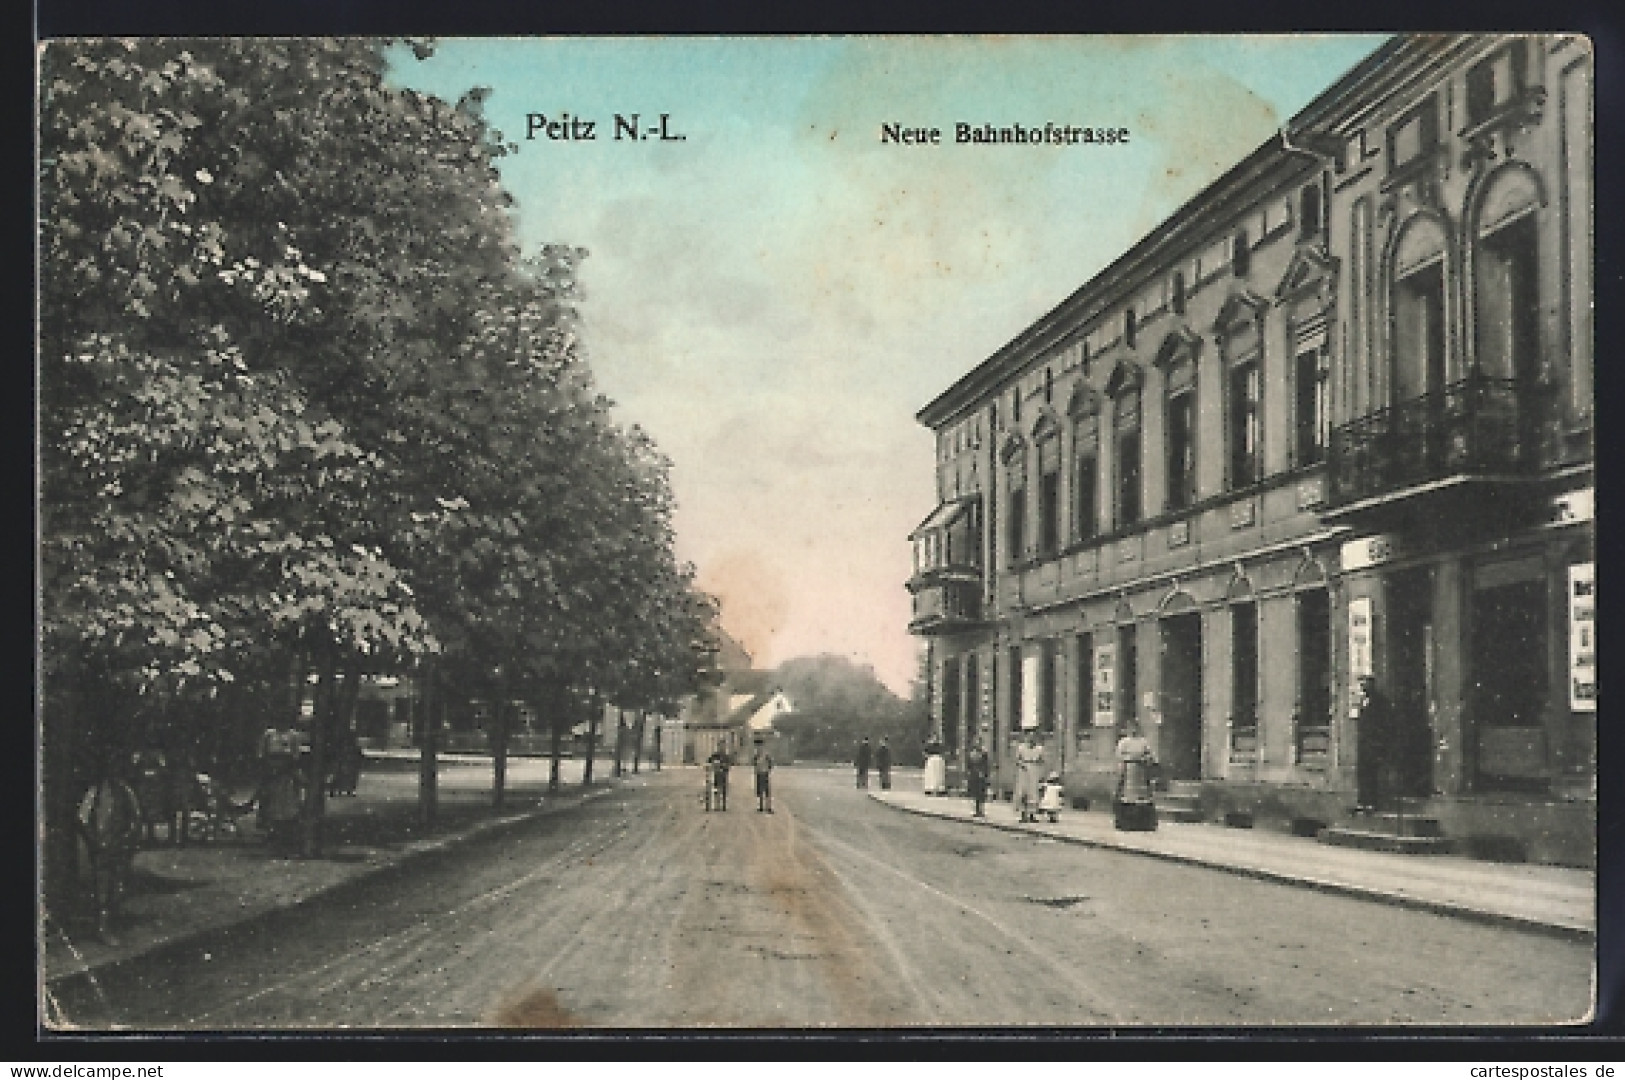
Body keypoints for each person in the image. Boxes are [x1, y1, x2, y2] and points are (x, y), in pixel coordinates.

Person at [1354, 675, 1392, 811]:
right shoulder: (1363, 701)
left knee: (1373, 773)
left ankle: (1372, 802)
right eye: (1361, 683)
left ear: (1372, 684)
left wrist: (1380, 741)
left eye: (1366, 683)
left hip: (1375, 743)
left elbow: (1385, 723)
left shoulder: (1381, 702)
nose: (1363, 686)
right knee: (1363, 772)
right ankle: (1363, 801)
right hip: (1364, 743)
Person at [1114, 720, 1158, 831]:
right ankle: (1127, 823)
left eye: (1135, 728)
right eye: (1131, 728)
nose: (1133, 731)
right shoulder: (1123, 742)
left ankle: (1143, 824)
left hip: (1141, 773)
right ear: (1128, 729)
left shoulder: (1143, 742)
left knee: (1142, 798)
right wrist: (1123, 768)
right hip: (1129, 772)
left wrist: (1145, 760)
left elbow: (1150, 756)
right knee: (1127, 797)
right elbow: (1119, 756)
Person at [1015, 731, 1045, 823]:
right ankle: (1023, 814)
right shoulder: (1021, 748)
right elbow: (1017, 760)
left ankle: (1032, 815)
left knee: (1033, 792)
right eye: (1029, 737)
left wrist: (1040, 768)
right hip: (1024, 771)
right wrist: (1022, 764)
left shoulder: (1039, 749)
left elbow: (1042, 760)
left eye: (1033, 738)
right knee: (1023, 792)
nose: (1031, 740)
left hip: (1034, 770)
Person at [965, 740, 991, 817]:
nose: (977, 745)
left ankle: (981, 810)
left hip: (981, 775)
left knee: (981, 793)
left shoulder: (983, 753)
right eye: (976, 743)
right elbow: (968, 765)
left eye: (978, 743)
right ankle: (976, 810)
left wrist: (985, 774)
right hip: (974, 775)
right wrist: (969, 773)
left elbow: (986, 765)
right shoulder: (971, 754)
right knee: (975, 793)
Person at [752, 739, 775, 813]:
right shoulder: (756, 755)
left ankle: (768, 807)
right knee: (759, 791)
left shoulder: (766, 755)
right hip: (759, 773)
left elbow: (771, 763)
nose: (758, 748)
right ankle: (760, 806)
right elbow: (754, 764)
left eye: (760, 746)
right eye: (757, 746)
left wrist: (768, 770)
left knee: (767, 791)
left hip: (765, 773)